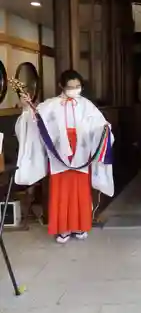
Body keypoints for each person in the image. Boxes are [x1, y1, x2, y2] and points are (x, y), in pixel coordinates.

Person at [15, 70, 114, 243]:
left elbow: (100, 124)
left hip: (81, 152)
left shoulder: (87, 105)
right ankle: (63, 228)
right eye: (70, 87)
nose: (75, 90)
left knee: (80, 191)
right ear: (61, 86)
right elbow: (34, 120)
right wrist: (26, 107)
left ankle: (80, 225)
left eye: (78, 86)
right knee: (60, 192)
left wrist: (105, 129)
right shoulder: (50, 105)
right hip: (58, 152)